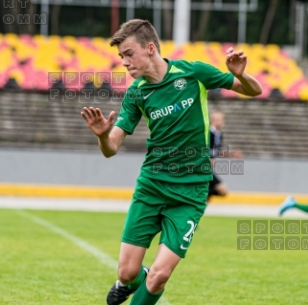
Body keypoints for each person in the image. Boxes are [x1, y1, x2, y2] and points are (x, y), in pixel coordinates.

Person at [81, 19, 262, 305]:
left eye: (129, 54)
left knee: (159, 275)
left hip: (190, 192)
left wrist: (242, 74)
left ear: (150, 48)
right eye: (121, 57)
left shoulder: (194, 73)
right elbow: (111, 147)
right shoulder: (137, 92)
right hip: (152, 186)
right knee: (128, 273)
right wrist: (103, 135)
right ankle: (129, 281)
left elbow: (254, 90)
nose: (125, 63)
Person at [208, 111, 243, 201]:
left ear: (223, 121)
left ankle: (205, 193)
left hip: (209, 169)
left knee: (207, 198)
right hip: (202, 168)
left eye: (219, 120)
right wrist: (208, 159)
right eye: (215, 120)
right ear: (211, 121)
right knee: (222, 190)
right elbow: (200, 148)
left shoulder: (219, 135)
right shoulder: (208, 133)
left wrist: (231, 154)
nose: (218, 122)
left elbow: (217, 151)